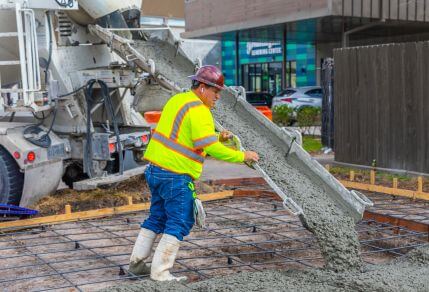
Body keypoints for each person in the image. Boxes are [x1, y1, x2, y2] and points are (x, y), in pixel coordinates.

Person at [129, 65, 259, 281]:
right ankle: (160, 274)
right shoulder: (200, 110)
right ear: (201, 88)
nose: (217, 97)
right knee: (180, 220)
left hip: (156, 171)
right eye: (215, 91)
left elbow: (188, 136)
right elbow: (209, 148)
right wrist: (242, 156)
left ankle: (136, 265)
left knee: (157, 217)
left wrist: (218, 136)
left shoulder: (179, 100)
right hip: (176, 175)